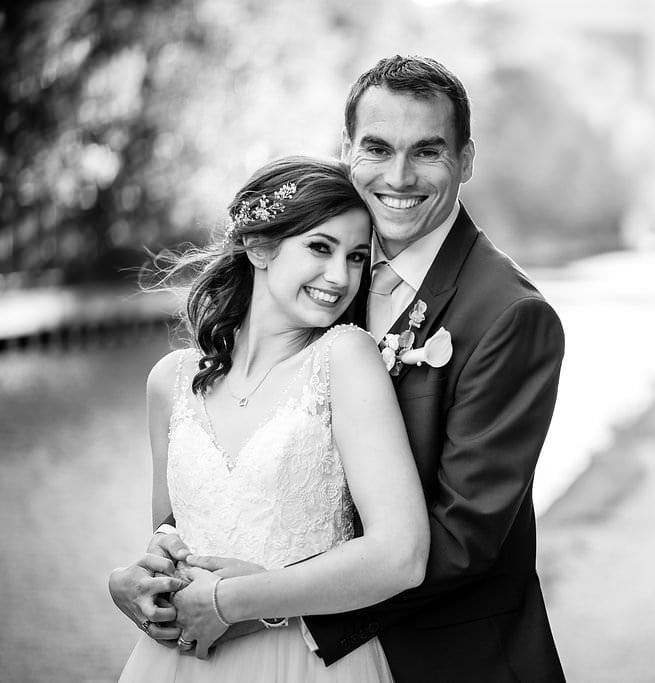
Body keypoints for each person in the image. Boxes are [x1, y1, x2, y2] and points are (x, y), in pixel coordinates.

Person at [112, 55, 567, 682]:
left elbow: (461, 541)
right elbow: (219, 497)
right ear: (347, 149)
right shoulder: (333, 272)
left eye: (428, 151)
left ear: (466, 160)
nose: (399, 176)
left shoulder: (510, 315)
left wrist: (260, 604)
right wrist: (147, 574)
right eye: (377, 147)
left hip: (439, 659)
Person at [114, 155, 429, 682]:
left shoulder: (345, 358)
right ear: (259, 246)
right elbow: (172, 535)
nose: (339, 277)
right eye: (320, 248)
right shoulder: (169, 381)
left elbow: (402, 554)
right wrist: (132, 582)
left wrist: (234, 601)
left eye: (356, 257)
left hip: (299, 663)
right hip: (178, 665)